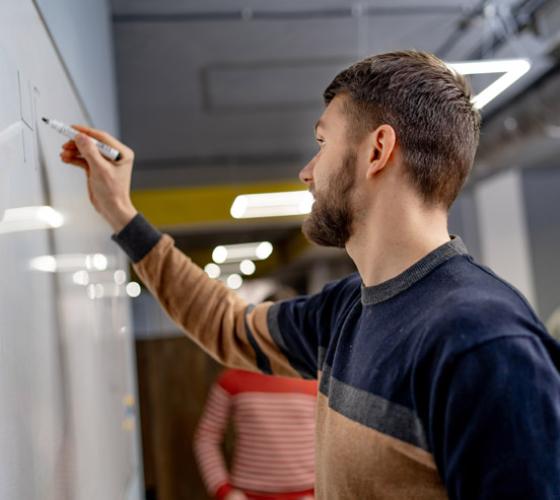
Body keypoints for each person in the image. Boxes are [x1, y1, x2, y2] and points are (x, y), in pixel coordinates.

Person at [60, 50, 560, 499]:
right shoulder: (346, 309)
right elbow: (226, 322)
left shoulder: (482, 342)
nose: (307, 170)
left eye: (322, 142)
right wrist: (123, 217)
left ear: (377, 150)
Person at [193, 369, 316, 500]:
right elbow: (206, 438)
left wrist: (321, 493)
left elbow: (332, 443)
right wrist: (224, 491)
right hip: (246, 494)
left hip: (307, 494)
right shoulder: (232, 379)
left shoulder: (315, 380)